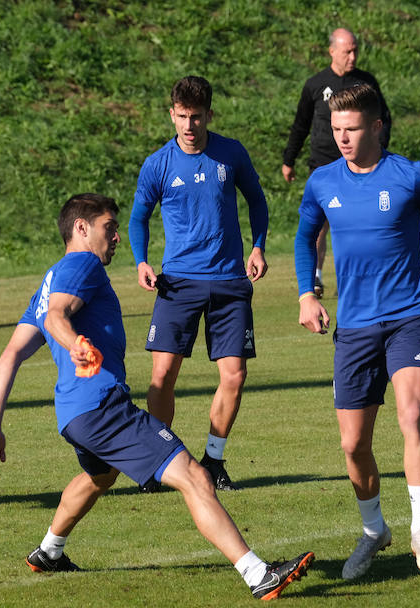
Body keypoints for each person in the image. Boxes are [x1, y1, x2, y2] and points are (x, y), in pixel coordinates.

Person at [0, 193, 312, 601]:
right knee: (194, 476)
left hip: (73, 415)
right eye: (109, 227)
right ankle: (258, 573)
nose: (117, 236)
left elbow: (11, 353)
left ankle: (49, 551)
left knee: (99, 476)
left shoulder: (50, 279)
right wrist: (75, 345)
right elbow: (56, 317)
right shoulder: (80, 263)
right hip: (101, 407)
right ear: (81, 229)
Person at [295, 84, 420, 580]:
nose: (342, 138)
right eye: (336, 129)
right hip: (356, 327)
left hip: (409, 317)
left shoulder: (411, 176)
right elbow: (305, 236)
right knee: (352, 446)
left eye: (352, 129)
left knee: (411, 415)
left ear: (377, 127)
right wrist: (306, 293)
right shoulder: (322, 182)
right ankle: (374, 532)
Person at [129, 76, 268, 491]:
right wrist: (141, 261)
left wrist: (258, 246)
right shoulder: (158, 163)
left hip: (229, 281)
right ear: (172, 114)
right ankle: (156, 463)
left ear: (210, 114)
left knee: (234, 374)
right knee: (162, 375)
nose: (189, 125)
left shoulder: (231, 153)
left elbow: (257, 200)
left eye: (197, 117)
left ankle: (214, 460)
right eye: (182, 117)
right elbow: (139, 217)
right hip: (178, 283)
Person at [282, 28, 391, 298]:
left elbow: (384, 118)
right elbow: (301, 124)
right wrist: (289, 159)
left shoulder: (366, 83)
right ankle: (316, 277)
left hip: (362, 164)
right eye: (347, 51)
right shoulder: (316, 84)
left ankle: (368, 273)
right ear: (332, 51)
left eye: (355, 50)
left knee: (361, 218)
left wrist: (380, 149)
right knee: (319, 223)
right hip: (323, 162)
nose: (353, 56)